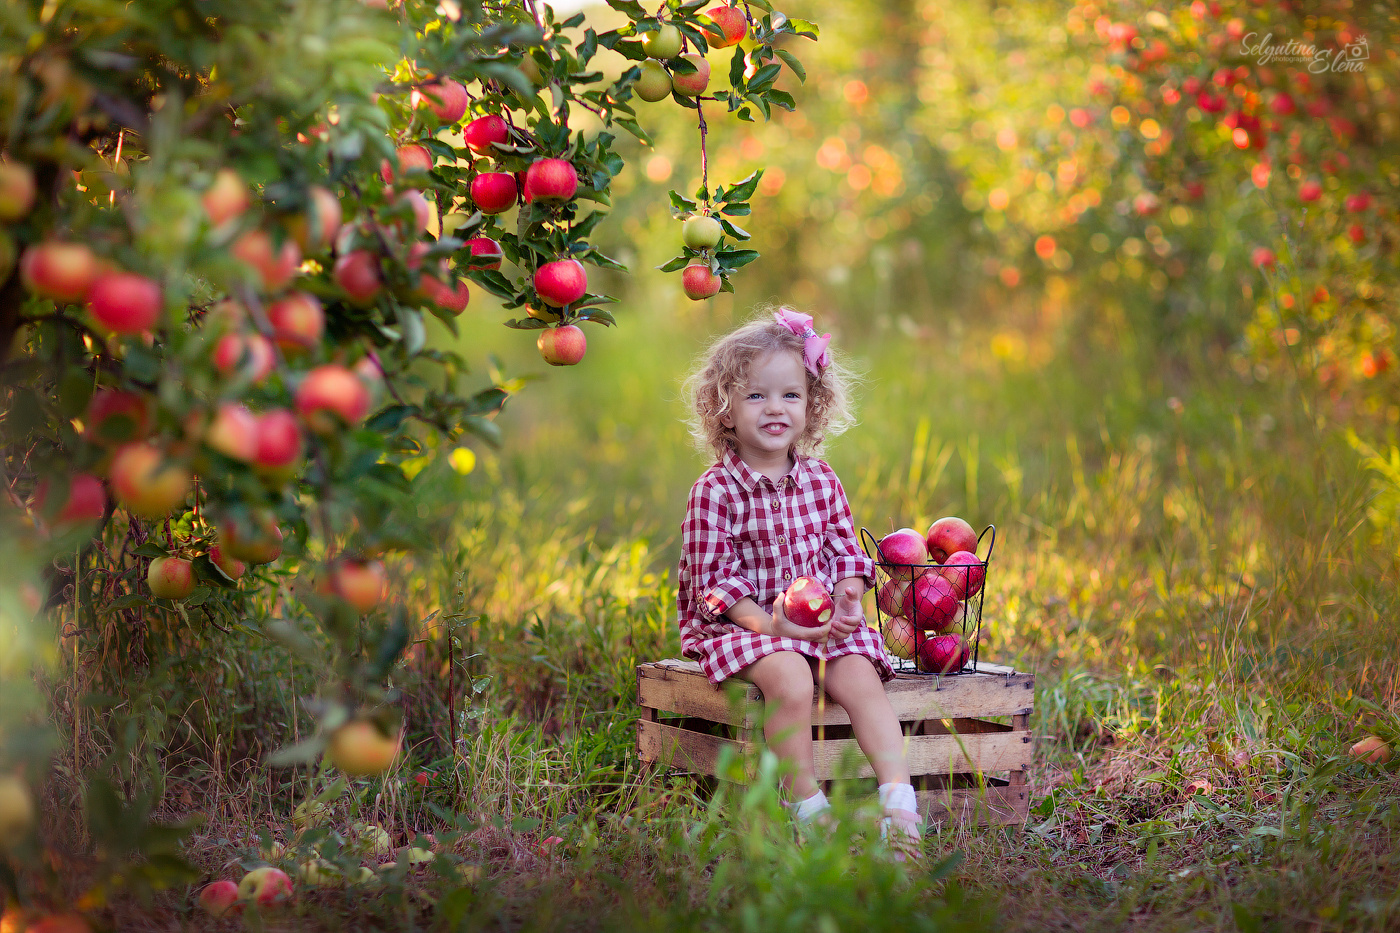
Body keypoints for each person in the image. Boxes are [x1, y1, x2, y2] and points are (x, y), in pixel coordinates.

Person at [678, 307, 921, 855]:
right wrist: (773, 625)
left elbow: (843, 550)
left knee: (860, 676)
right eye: (756, 396)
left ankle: (899, 799)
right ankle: (807, 805)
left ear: (812, 406)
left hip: (819, 621)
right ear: (724, 408)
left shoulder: (820, 477)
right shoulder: (714, 490)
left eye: (791, 395)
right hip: (743, 623)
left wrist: (849, 596)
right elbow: (715, 583)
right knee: (791, 677)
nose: (775, 409)